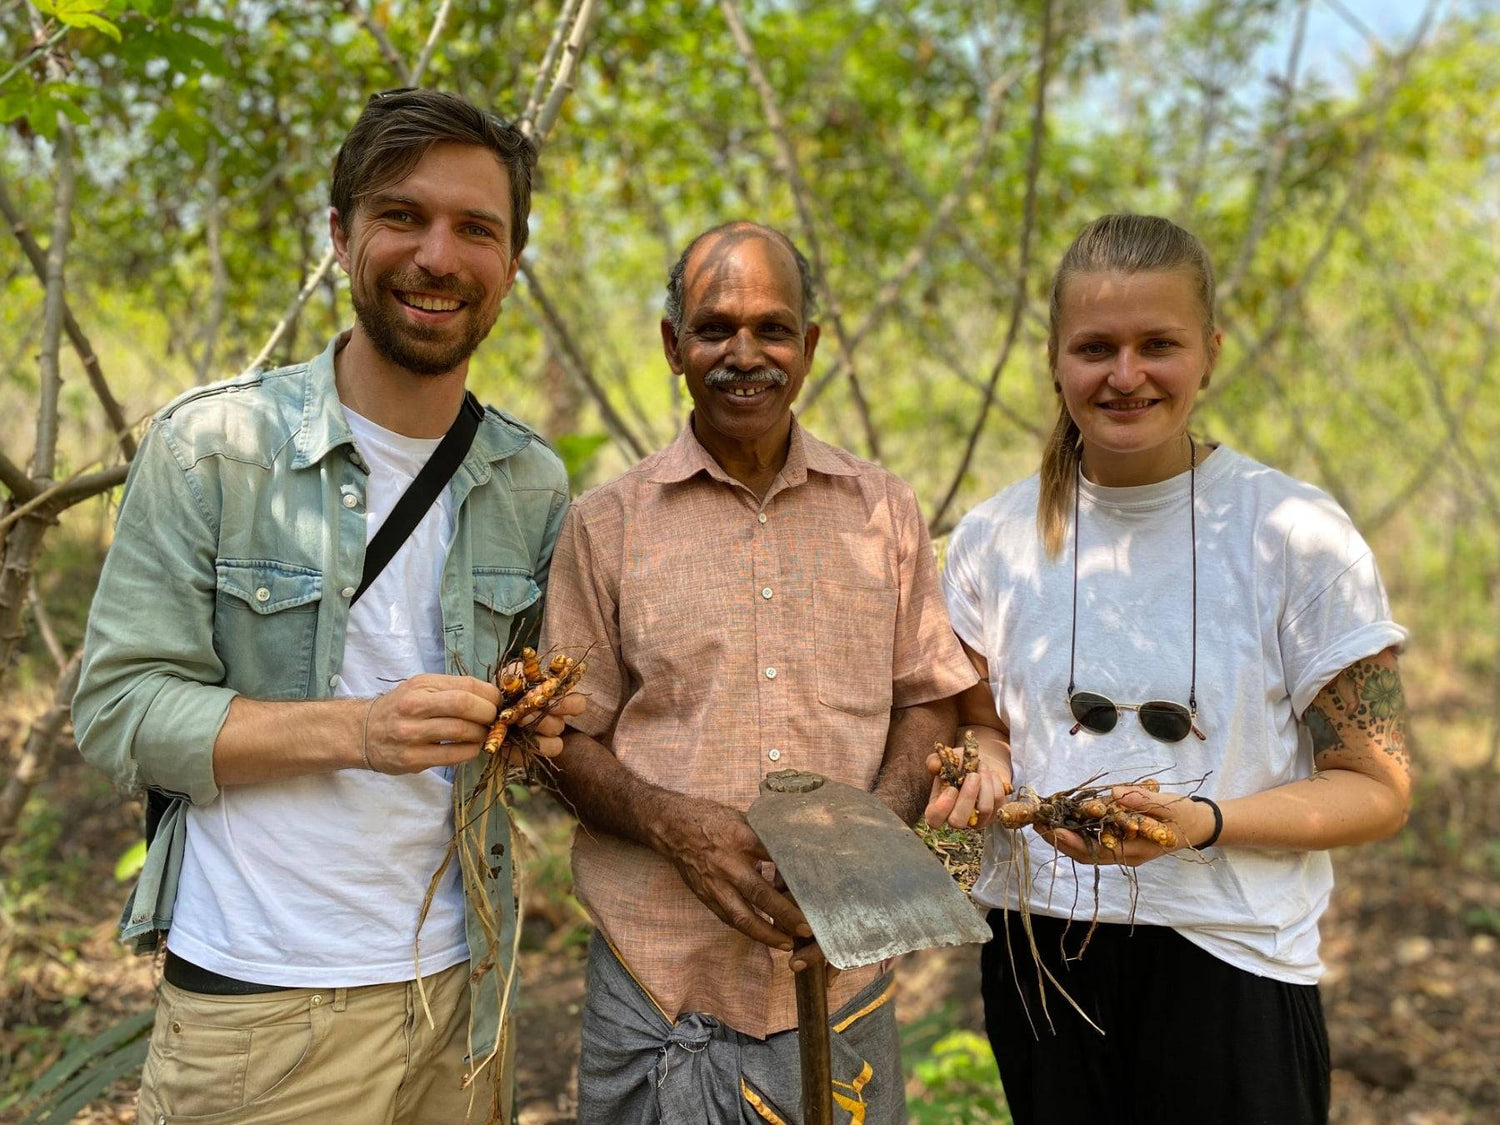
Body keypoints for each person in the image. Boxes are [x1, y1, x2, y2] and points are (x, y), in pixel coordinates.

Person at [72, 89, 579, 1124]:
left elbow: (528, 727)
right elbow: (119, 710)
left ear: (512, 264)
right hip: (263, 1009)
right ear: (341, 235)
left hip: (466, 994)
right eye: (403, 216)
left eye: (475, 228)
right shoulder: (213, 449)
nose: (438, 255)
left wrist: (539, 728)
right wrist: (360, 731)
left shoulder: (530, 481)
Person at [926, 213, 1411, 1125]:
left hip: (1233, 959)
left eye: (1158, 344)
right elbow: (982, 722)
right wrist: (981, 765)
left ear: (1210, 352)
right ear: (1055, 360)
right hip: (1041, 953)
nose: (1126, 374)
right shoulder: (992, 540)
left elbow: (1377, 785)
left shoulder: (1296, 535)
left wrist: (1204, 823)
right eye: (1095, 347)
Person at [539, 220, 978, 1124]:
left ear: (808, 347)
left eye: (773, 329)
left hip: (844, 982)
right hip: (657, 985)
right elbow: (561, 741)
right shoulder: (606, 525)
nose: (745, 354)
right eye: (715, 329)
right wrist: (672, 827)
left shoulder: (883, 510)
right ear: (673, 346)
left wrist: (860, 859)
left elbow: (928, 699)